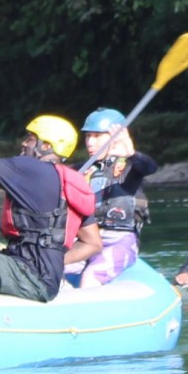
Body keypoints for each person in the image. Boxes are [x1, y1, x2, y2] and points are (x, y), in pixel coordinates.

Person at [0, 115, 100, 301]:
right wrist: (55, 259)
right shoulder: (67, 182)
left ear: (45, 146)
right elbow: (92, 243)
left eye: (30, 138)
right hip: (37, 273)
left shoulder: (29, 168)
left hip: (31, 277)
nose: (23, 143)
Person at [65, 107, 158, 287]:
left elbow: (150, 167)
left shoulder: (133, 165)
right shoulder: (78, 169)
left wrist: (131, 154)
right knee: (51, 268)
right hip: (86, 239)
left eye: (97, 136)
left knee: (91, 276)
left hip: (120, 239)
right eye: (88, 136)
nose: (90, 142)